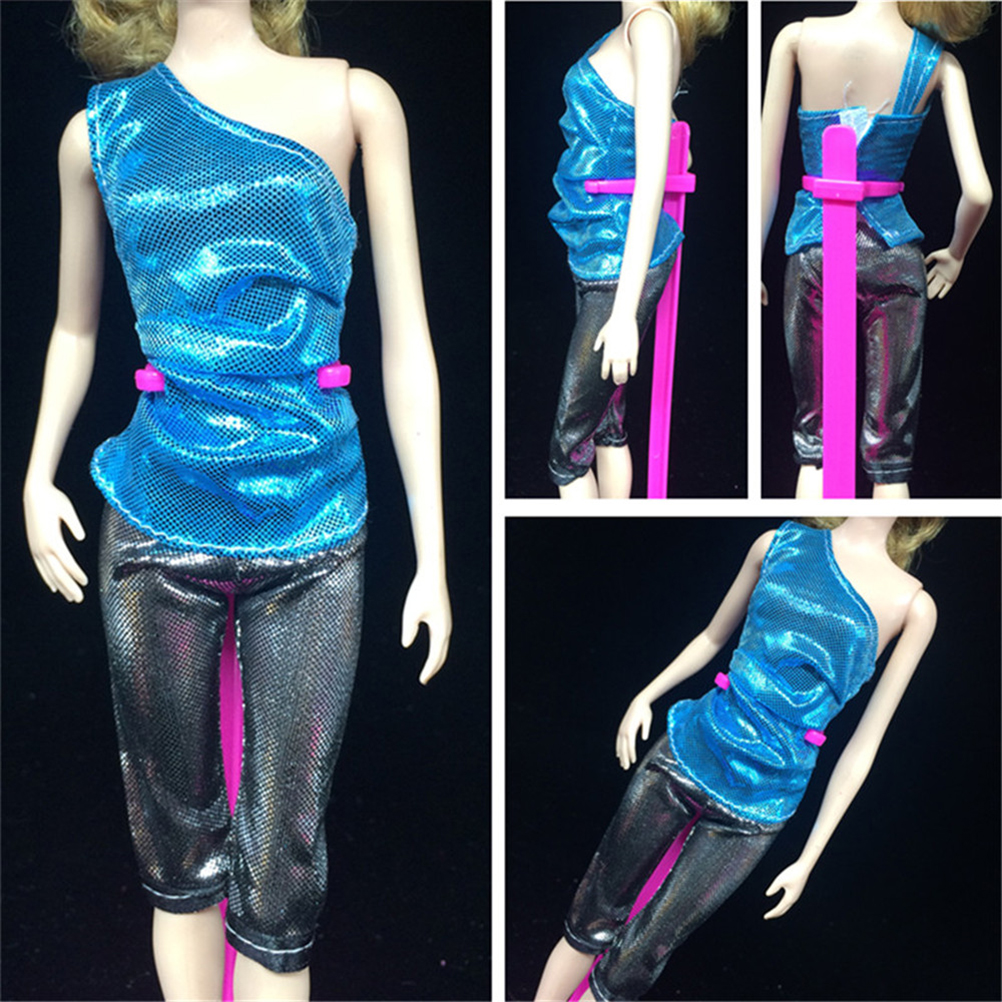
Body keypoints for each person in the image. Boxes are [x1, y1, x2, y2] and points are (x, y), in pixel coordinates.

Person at [22, 1, 451, 999]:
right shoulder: (101, 133)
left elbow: (409, 343)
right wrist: (36, 475)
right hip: (156, 511)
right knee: (175, 850)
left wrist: (435, 554)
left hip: (315, 517)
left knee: (283, 861)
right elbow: (74, 329)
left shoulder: (357, 102)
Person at [534, 517, 942, 1001]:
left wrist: (809, 857)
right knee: (591, 917)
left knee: (640, 957)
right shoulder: (779, 545)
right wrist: (645, 695)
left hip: (760, 804)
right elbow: (713, 637)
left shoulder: (913, 607)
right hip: (688, 751)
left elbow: (864, 743)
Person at [761, 1, 993, 499]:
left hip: (814, 248)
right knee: (891, 456)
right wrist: (955, 254)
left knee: (815, 442)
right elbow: (979, 192)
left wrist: (752, 259)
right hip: (895, 256)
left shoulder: (797, 39)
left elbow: (765, 171)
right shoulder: (939, 64)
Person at [547, 1, 730, 499]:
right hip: (594, 246)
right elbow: (672, 139)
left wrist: (625, 313)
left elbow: (653, 175)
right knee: (606, 425)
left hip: (620, 255)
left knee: (568, 450)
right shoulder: (633, 28)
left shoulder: (649, 26)